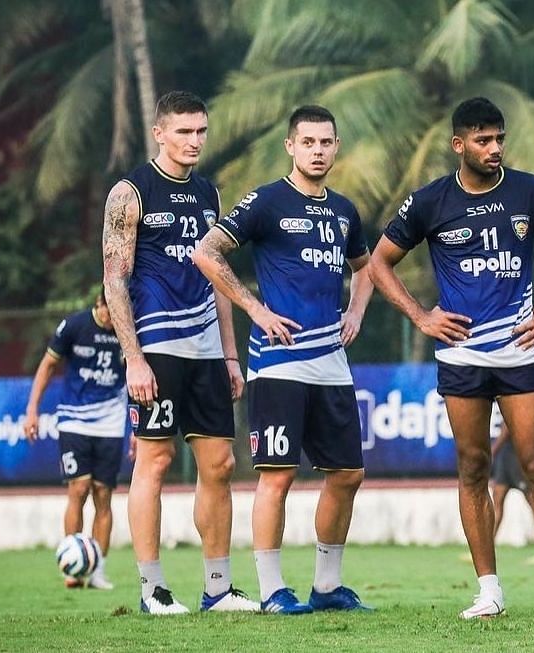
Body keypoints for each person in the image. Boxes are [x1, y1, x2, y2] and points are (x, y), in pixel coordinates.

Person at [368, 97, 534, 622]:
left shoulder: (530, 191)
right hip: (462, 355)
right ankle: (488, 590)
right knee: (473, 467)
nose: (494, 149)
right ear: (458, 144)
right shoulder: (429, 201)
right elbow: (378, 262)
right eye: (483, 140)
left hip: (519, 350)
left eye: (499, 138)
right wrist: (421, 317)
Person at [192, 105, 375, 615]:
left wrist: (356, 310)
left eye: (326, 142)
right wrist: (254, 307)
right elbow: (207, 252)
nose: (318, 151)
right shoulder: (267, 201)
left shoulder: (343, 211)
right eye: (308, 142)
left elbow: (367, 267)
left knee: (347, 474)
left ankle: (326, 586)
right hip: (279, 362)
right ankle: (273, 591)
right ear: (290, 146)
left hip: (332, 363)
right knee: (278, 475)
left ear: (336, 147)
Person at [101, 90, 257, 615]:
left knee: (219, 463)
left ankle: (217, 589)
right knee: (156, 458)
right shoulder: (130, 192)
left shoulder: (210, 193)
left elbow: (218, 278)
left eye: (201, 131)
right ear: (160, 133)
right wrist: (133, 357)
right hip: (157, 343)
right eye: (184, 131)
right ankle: (152, 591)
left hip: (207, 348)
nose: (194, 141)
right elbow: (114, 279)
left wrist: (231, 356)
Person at [23, 290, 126, 590]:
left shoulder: (127, 329)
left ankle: (96, 571)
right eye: (108, 312)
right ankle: (72, 565)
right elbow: (47, 366)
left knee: (103, 495)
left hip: (110, 422)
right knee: (78, 489)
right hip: (73, 419)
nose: (111, 319)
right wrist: (32, 410)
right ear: (98, 305)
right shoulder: (75, 326)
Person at [489, 418, 534, 565]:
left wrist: (491, 452)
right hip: (505, 458)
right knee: (496, 503)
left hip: (518, 459)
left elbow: (508, 428)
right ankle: (487, 551)